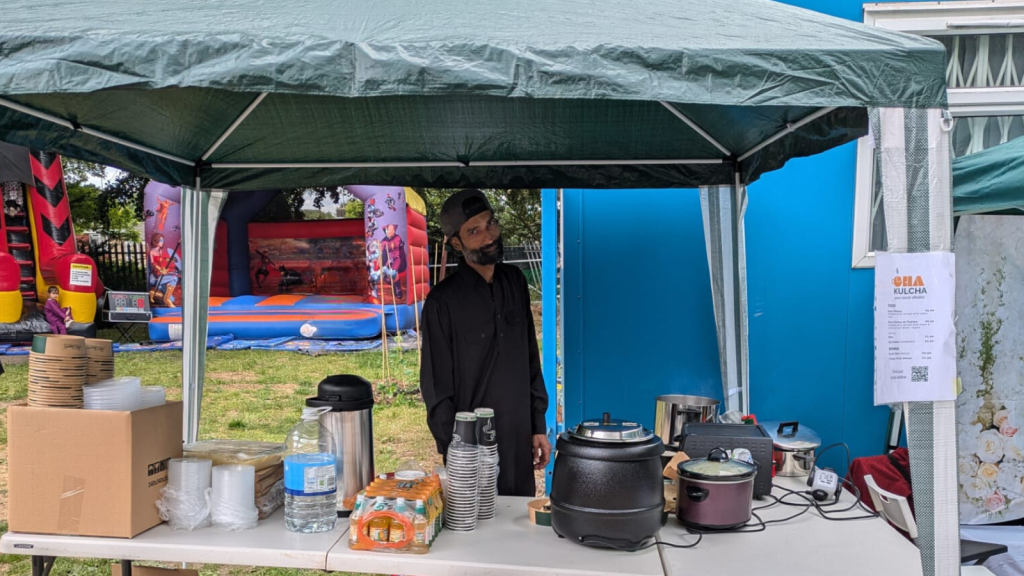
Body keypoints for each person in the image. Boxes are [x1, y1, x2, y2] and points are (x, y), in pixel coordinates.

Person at [419, 189, 550, 497]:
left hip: (519, 433)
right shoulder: (442, 301)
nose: (488, 236)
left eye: (490, 223)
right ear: (456, 242)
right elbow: (436, 387)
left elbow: (530, 358)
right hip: (473, 444)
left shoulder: (514, 281)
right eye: (473, 231)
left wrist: (537, 425)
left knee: (518, 526)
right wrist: (455, 451)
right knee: (479, 530)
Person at [148, 233, 179, 307]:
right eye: (161, 240)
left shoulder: (160, 252)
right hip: (155, 277)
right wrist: (160, 269)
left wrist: (166, 269)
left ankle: (154, 293)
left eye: (163, 240)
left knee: (172, 299)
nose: (162, 242)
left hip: (162, 277)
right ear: (156, 241)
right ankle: (166, 299)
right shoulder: (152, 252)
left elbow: (162, 263)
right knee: (174, 278)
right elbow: (153, 263)